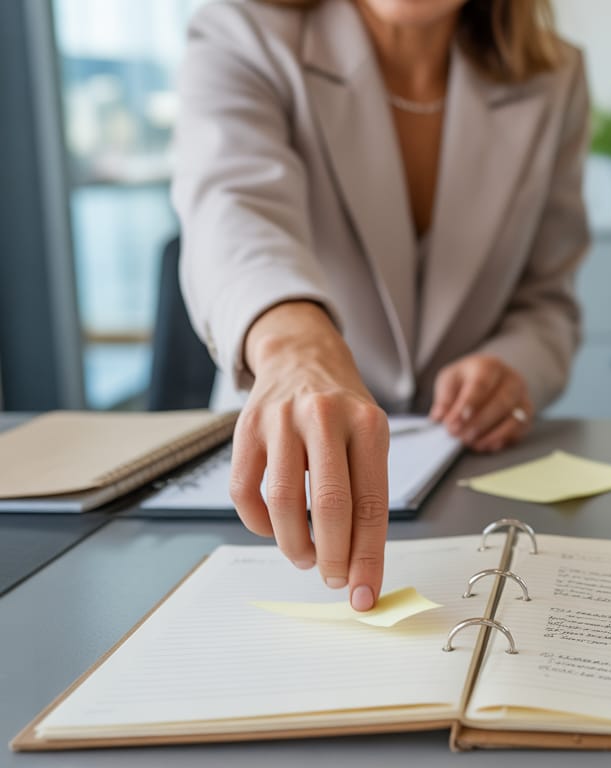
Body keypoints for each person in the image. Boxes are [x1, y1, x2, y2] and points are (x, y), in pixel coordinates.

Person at [172, 0, 589, 610]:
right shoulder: (242, 31)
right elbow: (230, 214)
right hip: (280, 486)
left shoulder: (555, 74)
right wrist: (294, 348)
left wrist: (515, 365)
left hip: (473, 487)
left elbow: (548, 298)